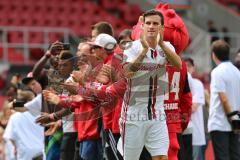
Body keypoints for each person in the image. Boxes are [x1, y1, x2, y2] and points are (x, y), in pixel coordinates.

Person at [121, 9, 182, 160]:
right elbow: (127, 73)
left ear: (162, 28)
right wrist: (143, 53)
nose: (151, 26)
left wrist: (161, 43)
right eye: (148, 23)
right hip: (134, 113)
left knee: (162, 157)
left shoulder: (167, 47)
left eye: (156, 23)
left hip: (157, 113)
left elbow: (178, 65)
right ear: (142, 26)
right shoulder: (132, 47)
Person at [208, 40, 240, 160]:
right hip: (235, 123)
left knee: (222, 157)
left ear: (214, 55)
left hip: (220, 123)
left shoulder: (217, 72)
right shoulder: (237, 72)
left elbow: (223, 98)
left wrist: (231, 117)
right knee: (235, 156)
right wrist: (237, 120)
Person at [184, 58, 206, 160]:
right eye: (185, 66)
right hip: (183, 132)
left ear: (193, 68)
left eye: (189, 66)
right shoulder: (178, 83)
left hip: (196, 134)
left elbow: (192, 108)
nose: (187, 68)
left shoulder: (198, 84)